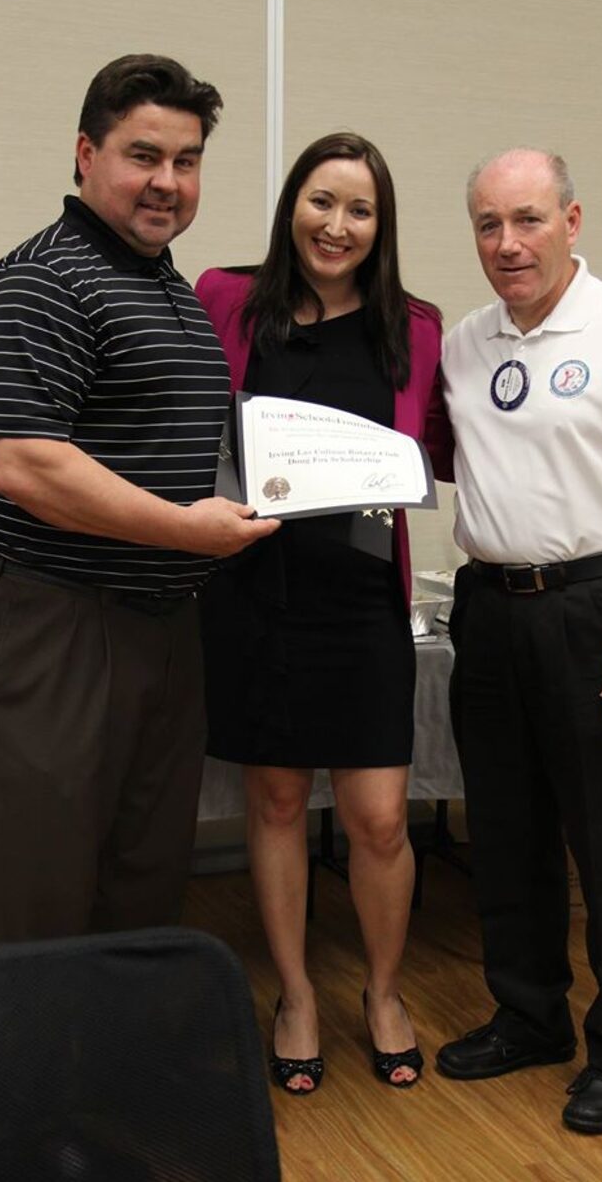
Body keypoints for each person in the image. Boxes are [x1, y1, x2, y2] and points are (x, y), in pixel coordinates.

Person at [0, 54, 278, 944]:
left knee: (144, 874)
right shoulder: (42, 278)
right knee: (39, 883)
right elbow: (22, 461)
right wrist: (185, 530)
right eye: (143, 155)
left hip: (161, 618)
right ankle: (27, 1086)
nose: (166, 182)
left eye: (187, 160)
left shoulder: (166, 284)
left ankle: (114, 1076)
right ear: (86, 153)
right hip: (54, 618)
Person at [438, 148, 602, 1134]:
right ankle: (527, 1014)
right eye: (485, 225)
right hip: (489, 607)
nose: (505, 244)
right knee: (503, 832)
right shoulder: (462, 345)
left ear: (571, 220)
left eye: (526, 220)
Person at [195, 132, 454, 1093]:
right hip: (254, 594)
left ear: (381, 227)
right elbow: (184, 415)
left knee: (381, 817)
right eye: (320, 201)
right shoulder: (226, 296)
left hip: (360, 600)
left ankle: (383, 989)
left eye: (359, 210)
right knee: (272, 801)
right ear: (290, 205)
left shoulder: (415, 325)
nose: (336, 225)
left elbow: (435, 444)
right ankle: (297, 992)